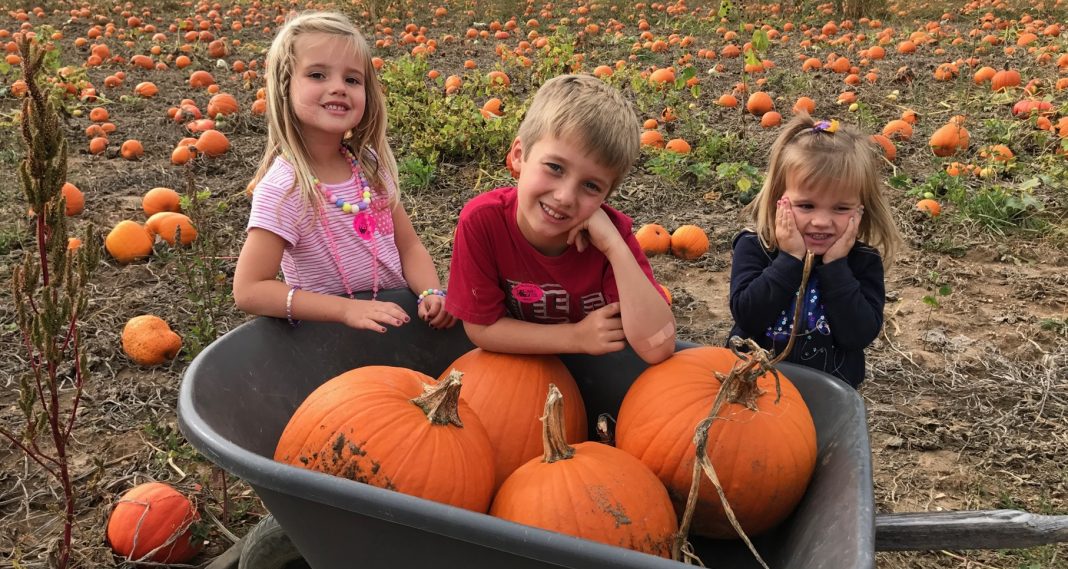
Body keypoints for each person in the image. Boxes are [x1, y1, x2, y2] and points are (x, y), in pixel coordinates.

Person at [232, 11, 454, 332]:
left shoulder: (370, 166)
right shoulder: (284, 189)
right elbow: (250, 290)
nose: (338, 87)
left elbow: (409, 246)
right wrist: (345, 310)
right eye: (318, 75)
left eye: (352, 79)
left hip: (395, 325)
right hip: (326, 339)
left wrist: (430, 291)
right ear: (285, 86)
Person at [445, 74, 675, 364]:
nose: (566, 196)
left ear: (606, 195)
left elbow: (659, 347)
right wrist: (576, 337)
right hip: (517, 371)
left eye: (591, 186)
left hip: (598, 376)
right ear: (519, 155)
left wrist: (615, 249)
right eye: (555, 167)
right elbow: (482, 328)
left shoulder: (612, 236)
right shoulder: (482, 223)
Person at [728, 113, 902, 387]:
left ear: (861, 209)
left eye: (841, 208)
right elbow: (748, 316)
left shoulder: (862, 262)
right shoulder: (756, 247)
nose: (821, 221)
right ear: (779, 200)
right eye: (806, 206)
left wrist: (835, 267)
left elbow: (858, 335)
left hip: (827, 396)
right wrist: (789, 259)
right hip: (753, 388)